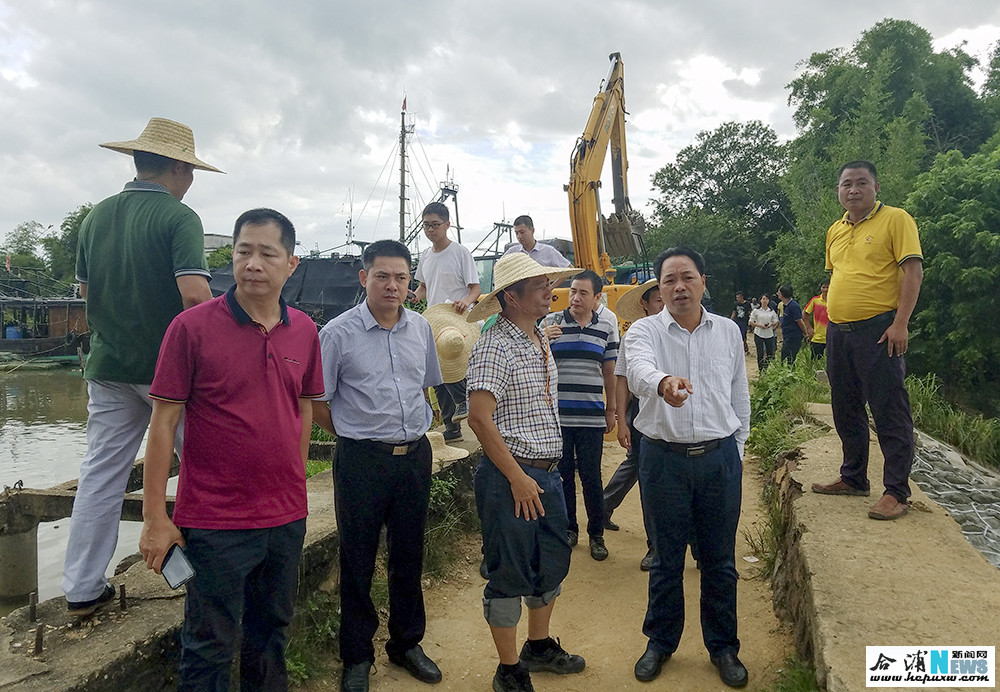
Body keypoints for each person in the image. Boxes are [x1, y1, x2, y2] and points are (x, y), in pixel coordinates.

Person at [139, 208, 321, 689]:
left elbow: (302, 406)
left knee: (271, 636)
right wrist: (156, 517)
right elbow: (163, 422)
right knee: (208, 645)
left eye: (267, 253)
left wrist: (297, 478)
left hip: (285, 517)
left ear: (291, 264)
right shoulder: (192, 328)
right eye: (244, 252)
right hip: (216, 521)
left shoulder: (304, 330)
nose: (253, 263)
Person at [64, 117, 222, 616]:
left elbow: (86, 293)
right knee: (202, 468)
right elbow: (196, 296)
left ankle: (82, 587)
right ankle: (209, 573)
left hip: (108, 367)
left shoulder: (95, 218)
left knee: (101, 475)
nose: (191, 179)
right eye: (190, 169)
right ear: (177, 166)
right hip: (169, 375)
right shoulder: (179, 218)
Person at [313, 239, 444, 692]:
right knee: (358, 558)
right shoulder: (337, 333)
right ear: (363, 276)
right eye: (383, 275)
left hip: (414, 457)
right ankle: (356, 654)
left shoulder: (421, 329)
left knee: (409, 553)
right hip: (361, 460)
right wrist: (354, 433)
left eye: (402, 278)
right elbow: (317, 401)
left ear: (411, 283)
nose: (392, 285)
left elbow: (425, 387)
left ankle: (406, 643)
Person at [626, 246, 750, 688]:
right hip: (663, 461)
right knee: (665, 560)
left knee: (720, 561)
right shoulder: (642, 332)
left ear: (703, 280)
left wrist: (736, 447)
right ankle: (660, 642)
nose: (679, 287)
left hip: (719, 460)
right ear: (658, 288)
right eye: (669, 280)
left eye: (687, 277)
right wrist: (663, 383)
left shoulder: (729, 331)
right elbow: (639, 371)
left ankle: (724, 647)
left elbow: (739, 395)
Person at [466, 253, 584, 692]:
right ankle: (509, 668)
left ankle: (537, 646)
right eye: (538, 286)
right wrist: (517, 477)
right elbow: (479, 418)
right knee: (509, 573)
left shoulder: (537, 337)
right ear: (511, 298)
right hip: (510, 479)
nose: (548, 291)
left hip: (545, 475)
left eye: (547, 283)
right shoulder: (494, 344)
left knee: (550, 562)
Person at [811, 160, 923, 521]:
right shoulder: (835, 230)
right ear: (838, 191)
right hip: (838, 333)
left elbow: (912, 270)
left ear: (876, 188)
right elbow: (840, 277)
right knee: (845, 407)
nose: (853, 189)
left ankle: (897, 492)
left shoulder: (896, 219)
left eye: (861, 183)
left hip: (879, 331)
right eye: (846, 184)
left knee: (889, 409)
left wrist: (901, 323)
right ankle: (854, 477)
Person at [541, 269, 618, 561]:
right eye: (573, 291)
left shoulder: (605, 328)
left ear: (597, 298)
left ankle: (596, 534)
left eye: (583, 293)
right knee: (562, 476)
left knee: (590, 476)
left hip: (591, 417)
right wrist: (542, 339)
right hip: (558, 417)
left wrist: (611, 410)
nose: (575, 297)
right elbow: (534, 362)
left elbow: (610, 371)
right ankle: (569, 528)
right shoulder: (551, 323)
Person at [602, 278, 663, 571]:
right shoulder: (636, 336)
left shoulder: (686, 331)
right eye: (659, 301)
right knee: (645, 472)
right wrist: (622, 419)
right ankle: (655, 545)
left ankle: (699, 545)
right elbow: (622, 378)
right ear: (645, 304)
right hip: (643, 411)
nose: (665, 306)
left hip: (679, 414)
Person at [413, 201, 482, 443]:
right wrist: (413, 296)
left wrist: (466, 301)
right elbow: (423, 287)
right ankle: (452, 428)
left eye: (435, 225)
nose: (430, 230)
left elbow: (475, 288)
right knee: (437, 373)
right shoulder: (425, 256)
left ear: (447, 225)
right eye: (426, 226)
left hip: (457, 318)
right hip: (435, 319)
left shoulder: (460, 252)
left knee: (454, 361)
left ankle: (464, 401)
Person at [502, 214, 572, 267]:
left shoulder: (548, 251)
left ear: (532, 230)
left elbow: (569, 268)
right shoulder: (512, 251)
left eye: (522, 232)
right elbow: (497, 267)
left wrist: (551, 286)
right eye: (516, 233)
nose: (519, 236)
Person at [748, 294, 778, 372]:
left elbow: (776, 321)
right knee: (760, 353)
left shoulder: (771, 311)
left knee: (770, 353)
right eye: (763, 299)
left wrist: (771, 324)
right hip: (759, 333)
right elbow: (751, 322)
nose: (765, 301)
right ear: (760, 300)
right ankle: (761, 370)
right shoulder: (756, 311)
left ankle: (766, 367)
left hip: (769, 334)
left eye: (766, 299)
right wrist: (759, 325)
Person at [777, 285, 806, 364]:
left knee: (790, 358)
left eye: (779, 292)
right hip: (787, 336)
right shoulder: (785, 305)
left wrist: (806, 333)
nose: (777, 294)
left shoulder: (793, 306)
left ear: (782, 294)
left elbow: (799, 321)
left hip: (793, 337)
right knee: (783, 357)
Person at [804, 282, 830, 359]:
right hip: (818, 337)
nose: (825, 289)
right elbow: (805, 313)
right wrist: (809, 328)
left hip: (832, 337)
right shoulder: (815, 300)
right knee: (815, 361)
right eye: (823, 287)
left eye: (827, 287)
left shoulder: (834, 300)